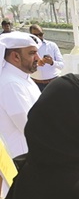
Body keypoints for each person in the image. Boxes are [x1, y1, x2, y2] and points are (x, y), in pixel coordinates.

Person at [0, 32, 41, 160]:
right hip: (22, 158)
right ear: (15, 56)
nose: (38, 58)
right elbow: (30, 127)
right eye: (32, 53)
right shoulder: (11, 84)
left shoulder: (21, 77)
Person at [29, 24, 64, 91]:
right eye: (36, 35)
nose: (39, 37)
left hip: (53, 83)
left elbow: (61, 65)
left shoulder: (52, 45)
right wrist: (37, 64)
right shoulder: (27, 48)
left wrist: (52, 62)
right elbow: (24, 67)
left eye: (41, 34)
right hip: (35, 84)